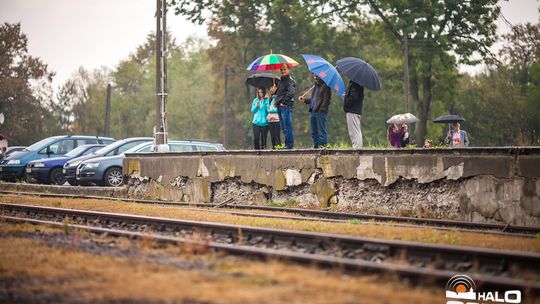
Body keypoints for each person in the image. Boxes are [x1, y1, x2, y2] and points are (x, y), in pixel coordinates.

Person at [299, 75, 331, 148]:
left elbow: (326, 100)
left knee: (321, 131)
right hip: (313, 110)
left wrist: (321, 109)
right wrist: (304, 100)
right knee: (314, 132)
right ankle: (316, 146)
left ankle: (323, 146)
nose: (315, 78)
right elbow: (314, 100)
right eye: (314, 76)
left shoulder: (325, 86)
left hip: (320, 112)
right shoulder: (316, 86)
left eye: (317, 76)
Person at [274, 64, 296, 149]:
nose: (283, 71)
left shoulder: (289, 80)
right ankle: (287, 144)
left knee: (287, 126)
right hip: (280, 106)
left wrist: (283, 102)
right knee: (283, 127)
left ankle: (289, 145)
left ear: (288, 69)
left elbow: (291, 92)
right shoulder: (281, 81)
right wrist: (274, 92)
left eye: (285, 69)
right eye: (281, 69)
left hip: (285, 106)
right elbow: (280, 93)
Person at [343, 81, 364, 148]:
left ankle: (357, 149)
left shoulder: (356, 84)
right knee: (355, 131)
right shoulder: (357, 83)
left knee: (354, 132)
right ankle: (357, 148)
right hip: (354, 111)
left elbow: (354, 97)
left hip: (353, 111)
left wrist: (347, 102)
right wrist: (347, 95)